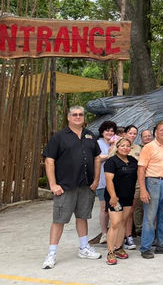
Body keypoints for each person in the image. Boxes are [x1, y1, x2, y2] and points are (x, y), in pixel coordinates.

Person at [42, 106, 102, 269]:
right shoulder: (59, 137)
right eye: (74, 115)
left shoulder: (90, 135)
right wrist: (53, 184)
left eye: (80, 114)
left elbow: (97, 158)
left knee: (82, 217)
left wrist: (96, 180)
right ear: (68, 117)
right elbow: (49, 160)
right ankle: (52, 253)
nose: (78, 117)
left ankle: (83, 248)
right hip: (65, 187)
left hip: (85, 186)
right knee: (59, 220)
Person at [137, 121, 163, 259]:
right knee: (150, 217)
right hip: (153, 182)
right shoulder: (149, 147)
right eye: (161, 130)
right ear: (156, 132)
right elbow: (141, 169)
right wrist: (143, 189)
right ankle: (146, 247)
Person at [103, 137, 138, 265]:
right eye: (122, 145)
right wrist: (113, 196)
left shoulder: (133, 161)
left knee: (123, 222)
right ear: (117, 147)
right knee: (115, 223)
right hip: (115, 197)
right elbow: (108, 180)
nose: (125, 148)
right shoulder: (111, 162)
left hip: (128, 196)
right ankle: (110, 252)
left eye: (128, 146)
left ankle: (118, 248)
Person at [95, 121, 117, 245]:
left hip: (116, 181)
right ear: (102, 132)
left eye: (112, 131)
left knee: (114, 207)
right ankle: (104, 233)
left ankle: (114, 232)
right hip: (102, 181)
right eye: (107, 130)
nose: (109, 133)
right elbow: (96, 159)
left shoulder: (117, 142)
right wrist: (110, 154)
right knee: (104, 208)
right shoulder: (97, 143)